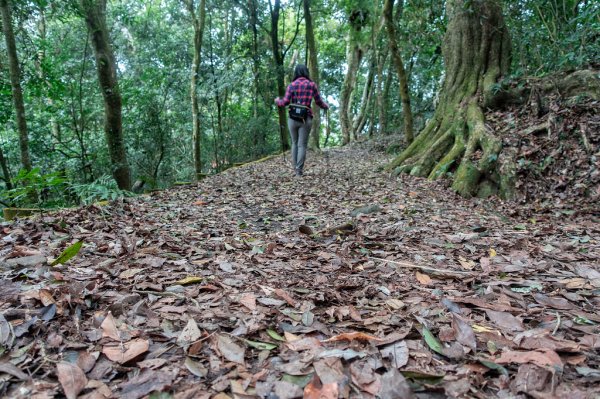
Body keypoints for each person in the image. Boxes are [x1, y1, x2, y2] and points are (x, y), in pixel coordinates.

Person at [275, 64, 329, 177]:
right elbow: (319, 101)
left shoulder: (291, 85)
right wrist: (326, 106)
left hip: (292, 118)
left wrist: (277, 101)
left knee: (294, 143)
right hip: (306, 118)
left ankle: (295, 169)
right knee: (302, 145)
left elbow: (284, 102)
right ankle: (299, 171)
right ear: (306, 72)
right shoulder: (311, 85)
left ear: (296, 72)